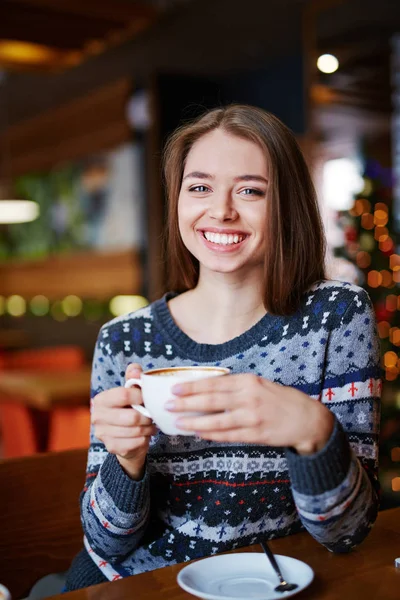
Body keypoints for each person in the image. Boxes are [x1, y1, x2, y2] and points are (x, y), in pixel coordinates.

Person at [65, 105, 381, 590]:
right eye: (199, 187)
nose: (221, 210)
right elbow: (104, 544)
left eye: (250, 190)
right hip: (143, 585)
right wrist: (124, 461)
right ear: (177, 200)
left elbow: (347, 532)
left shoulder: (334, 318)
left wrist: (315, 434)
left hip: (269, 583)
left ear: (287, 204)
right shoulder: (123, 339)